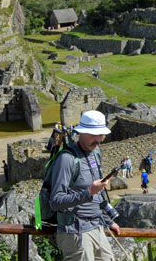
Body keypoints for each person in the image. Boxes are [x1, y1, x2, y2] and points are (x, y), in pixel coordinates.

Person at [49, 110, 120, 261]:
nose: (98, 139)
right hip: (75, 231)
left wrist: (108, 221)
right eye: (94, 134)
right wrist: (88, 192)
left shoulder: (95, 153)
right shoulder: (66, 159)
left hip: (97, 226)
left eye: (101, 134)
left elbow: (98, 192)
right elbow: (55, 202)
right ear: (81, 133)